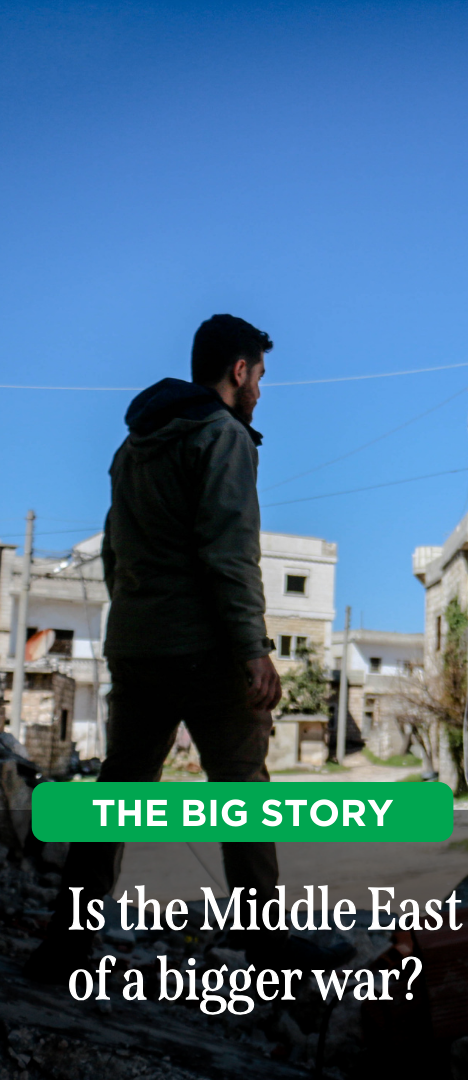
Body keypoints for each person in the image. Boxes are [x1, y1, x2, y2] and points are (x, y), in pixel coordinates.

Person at [24, 315, 340, 979]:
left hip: (138, 646)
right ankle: (266, 951)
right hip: (206, 650)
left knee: (116, 793)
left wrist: (137, 622)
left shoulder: (133, 446)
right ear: (239, 371)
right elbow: (230, 550)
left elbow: (115, 552)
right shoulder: (223, 437)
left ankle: (65, 946)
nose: (260, 392)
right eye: (260, 377)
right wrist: (254, 648)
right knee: (244, 793)